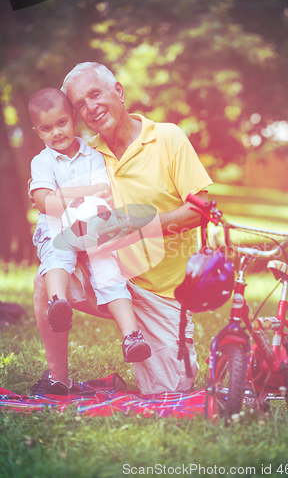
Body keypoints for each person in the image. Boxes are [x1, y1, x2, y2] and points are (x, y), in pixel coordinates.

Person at [30, 62, 212, 395]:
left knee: (172, 387)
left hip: (162, 293)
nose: (91, 108)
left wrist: (139, 226)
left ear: (119, 91)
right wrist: (48, 197)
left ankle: (151, 343)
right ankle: (58, 378)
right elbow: (52, 200)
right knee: (48, 277)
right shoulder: (86, 154)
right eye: (81, 105)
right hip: (108, 275)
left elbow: (200, 212)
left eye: (95, 94)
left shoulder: (168, 137)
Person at [29, 87, 151, 395]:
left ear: (72, 119)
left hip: (94, 228)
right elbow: (46, 205)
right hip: (58, 229)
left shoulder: (93, 156)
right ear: (36, 131)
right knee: (58, 259)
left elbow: (103, 192)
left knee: (109, 273)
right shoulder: (42, 162)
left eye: (61, 123)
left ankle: (132, 336)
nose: (56, 132)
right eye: (46, 128)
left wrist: (60, 194)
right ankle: (58, 305)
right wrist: (79, 193)